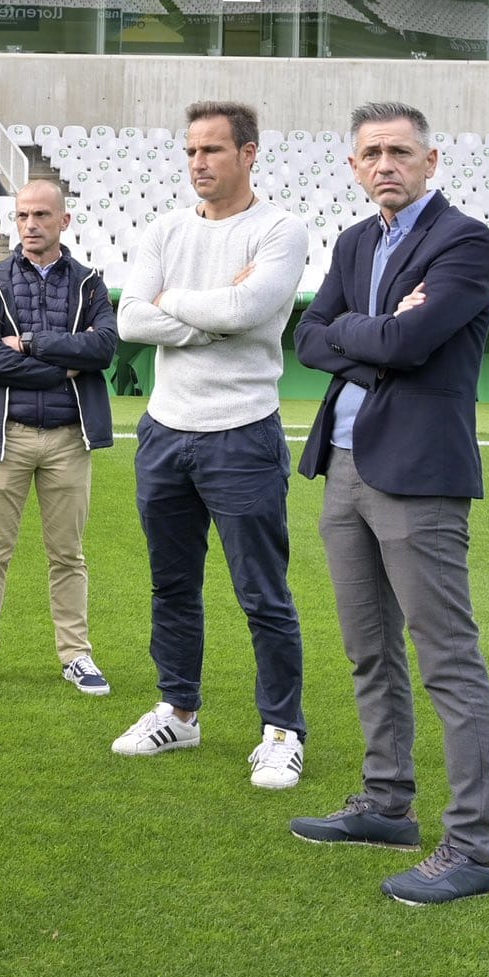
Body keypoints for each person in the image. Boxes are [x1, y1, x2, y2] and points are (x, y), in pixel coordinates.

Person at [290, 102, 489, 905]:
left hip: (419, 475)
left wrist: (358, 334)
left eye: (400, 152)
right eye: (371, 153)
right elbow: (308, 339)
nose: (386, 163)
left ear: (430, 159)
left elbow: (414, 345)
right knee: (368, 649)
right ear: (354, 166)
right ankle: (386, 804)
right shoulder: (352, 241)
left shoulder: (461, 239)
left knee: (447, 661)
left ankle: (474, 849)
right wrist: (371, 329)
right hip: (343, 467)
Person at [113, 100, 310, 790]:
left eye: (213, 151)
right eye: (192, 151)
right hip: (166, 431)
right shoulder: (164, 229)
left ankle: (282, 730)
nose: (198, 164)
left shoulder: (282, 229)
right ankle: (180, 709)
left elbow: (250, 311)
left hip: (243, 434)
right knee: (172, 585)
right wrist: (206, 314)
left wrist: (175, 303)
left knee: (262, 593)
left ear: (248, 154)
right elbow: (131, 320)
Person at [0, 178, 118, 697]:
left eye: (41, 216)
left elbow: (105, 349)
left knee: (67, 554)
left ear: (63, 221)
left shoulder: (90, 283)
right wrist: (61, 366)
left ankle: (76, 656)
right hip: (7, 438)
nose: (29, 225)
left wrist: (28, 343)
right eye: (23, 216)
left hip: (70, 439)